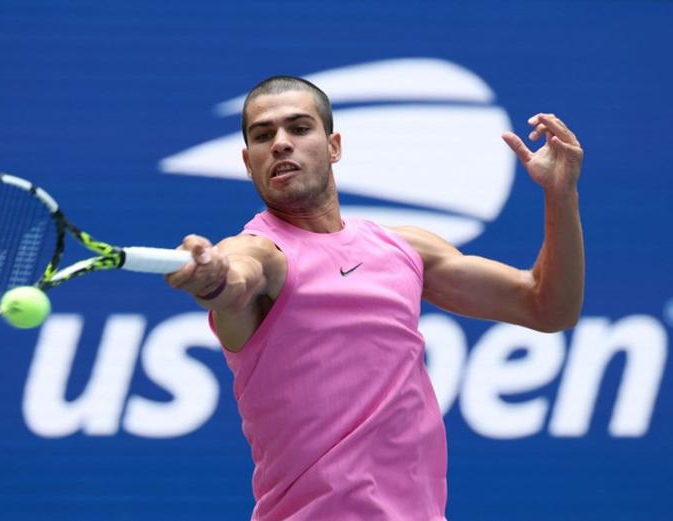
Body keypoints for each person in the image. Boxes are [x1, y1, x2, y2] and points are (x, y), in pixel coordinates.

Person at [166, 76, 584, 521]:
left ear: (334, 146)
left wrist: (560, 196)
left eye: (299, 128)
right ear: (249, 162)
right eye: (264, 135)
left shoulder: (403, 249)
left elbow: (548, 306)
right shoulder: (261, 253)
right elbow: (235, 278)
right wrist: (211, 277)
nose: (281, 144)